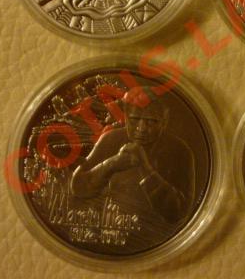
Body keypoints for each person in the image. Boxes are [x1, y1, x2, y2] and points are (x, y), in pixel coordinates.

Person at [70, 88, 195, 225]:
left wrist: (146, 169)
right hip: (112, 223)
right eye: (135, 119)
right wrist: (111, 164)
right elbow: (78, 187)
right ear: (126, 117)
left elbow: (180, 212)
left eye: (151, 121)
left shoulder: (179, 150)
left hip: (154, 231)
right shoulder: (111, 139)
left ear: (164, 122)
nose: (141, 128)